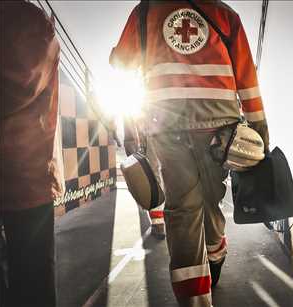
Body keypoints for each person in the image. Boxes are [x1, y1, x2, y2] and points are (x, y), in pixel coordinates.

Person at [110, 1, 269, 306]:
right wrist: (260, 132)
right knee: (207, 201)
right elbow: (247, 81)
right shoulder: (225, 15)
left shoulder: (145, 12)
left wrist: (119, 57)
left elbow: (123, 63)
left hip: (167, 125)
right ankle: (214, 257)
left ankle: (203, 278)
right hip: (219, 129)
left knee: (186, 209)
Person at [0, 1, 62, 306]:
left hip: (26, 179)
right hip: (29, 180)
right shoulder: (33, 19)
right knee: (33, 282)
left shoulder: (27, 19)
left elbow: (21, 82)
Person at [123, 115, 166, 239]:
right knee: (154, 170)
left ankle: (158, 221)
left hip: (150, 126)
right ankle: (159, 220)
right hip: (154, 125)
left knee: (151, 171)